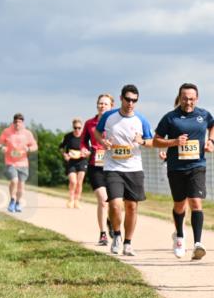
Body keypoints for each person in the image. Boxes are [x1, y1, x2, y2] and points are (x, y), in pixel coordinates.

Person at [153, 83, 214, 260]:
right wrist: (173, 142)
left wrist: (211, 141)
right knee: (180, 205)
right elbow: (156, 140)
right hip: (176, 167)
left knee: (196, 202)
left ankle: (198, 244)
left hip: (197, 165)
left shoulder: (203, 115)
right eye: (185, 98)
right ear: (179, 98)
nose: (188, 102)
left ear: (196, 99)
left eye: (191, 99)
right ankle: (180, 236)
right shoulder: (170, 118)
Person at [93, 84, 153, 256]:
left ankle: (128, 242)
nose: (130, 103)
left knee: (132, 207)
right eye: (128, 99)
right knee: (114, 204)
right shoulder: (109, 116)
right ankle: (117, 235)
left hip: (134, 168)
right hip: (113, 167)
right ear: (121, 98)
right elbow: (97, 133)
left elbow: (151, 142)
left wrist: (141, 141)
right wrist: (103, 142)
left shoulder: (141, 120)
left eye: (134, 100)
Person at [81, 94, 114, 245]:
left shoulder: (115, 123)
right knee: (102, 200)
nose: (102, 106)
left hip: (113, 165)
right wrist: (84, 150)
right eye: (100, 103)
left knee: (114, 202)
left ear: (111, 106)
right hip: (95, 165)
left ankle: (111, 221)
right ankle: (103, 234)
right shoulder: (89, 123)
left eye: (105, 104)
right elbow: (82, 142)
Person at [0, 113, 39, 213]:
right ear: (13, 122)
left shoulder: (27, 133)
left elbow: (35, 146)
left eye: (19, 122)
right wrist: (2, 147)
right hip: (10, 161)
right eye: (15, 122)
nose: (17, 124)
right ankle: (12, 200)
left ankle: (18, 203)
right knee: (14, 181)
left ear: (22, 123)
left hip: (23, 163)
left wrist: (28, 148)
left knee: (21, 185)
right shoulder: (7, 131)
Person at [60, 118, 89, 208]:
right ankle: (71, 199)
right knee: (73, 181)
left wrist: (87, 153)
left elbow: (91, 150)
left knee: (79, 182)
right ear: (73, 127)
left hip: (82, 161)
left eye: (79, 128)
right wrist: (65, 155)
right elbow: (61, 147)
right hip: (71, 162)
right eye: (75, 128)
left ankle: (77, 201)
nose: (77, 130)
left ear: (82, 128)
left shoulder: (85, 137)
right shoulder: (68, 136)